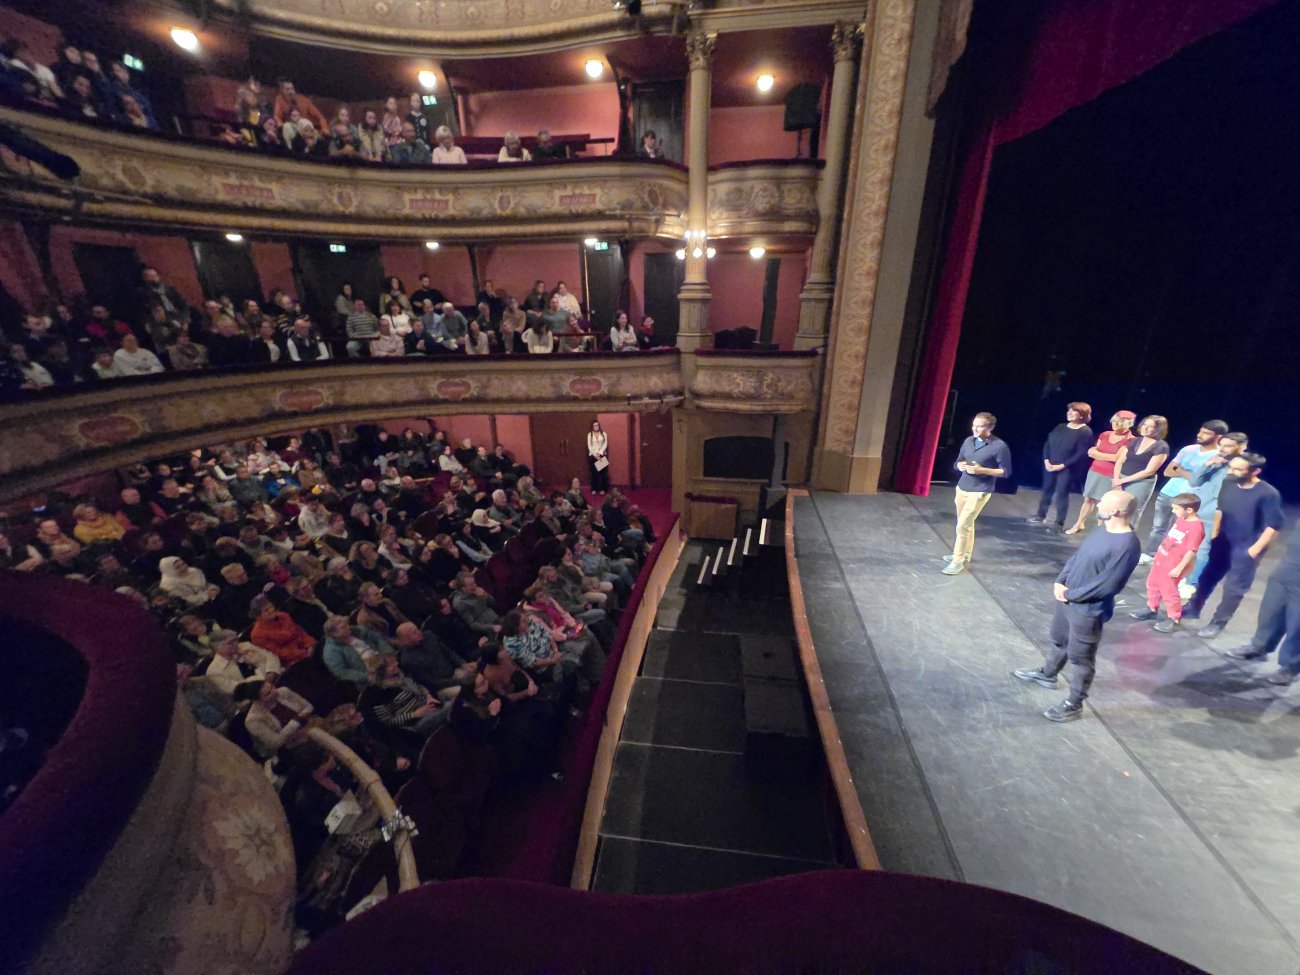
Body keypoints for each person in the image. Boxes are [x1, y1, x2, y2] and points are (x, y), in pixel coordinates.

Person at [1013, 490, 1142, 722]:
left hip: (1088, 609)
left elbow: (1108, 585)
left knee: (1081, 657)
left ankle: (1074, 703)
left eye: (1103, 502)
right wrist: (1060, 581)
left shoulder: (1127, 545)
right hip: (1068, 599)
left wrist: (1070, 594)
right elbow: (1077, 557)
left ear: (1115, 511)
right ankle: (1048, 674)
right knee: (1059, 639)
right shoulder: (1101, 529)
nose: (1098, 505)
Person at [1184, 453, 1284, 638]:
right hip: (1223, 541)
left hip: (1246, 546)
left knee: (1234, 588)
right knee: (1206, 577)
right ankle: (1193, 608)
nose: (1231, 472)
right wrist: (1215, 534)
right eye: (1231, 467)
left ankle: (1218, 622)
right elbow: (1220, 509)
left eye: (1238, 469)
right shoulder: (1228, 482)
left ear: (1255, 471)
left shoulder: (1268, 493)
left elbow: (1273, 526)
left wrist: (1254, 551)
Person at [1142, 420, 1229, 562]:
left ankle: (1167, 559)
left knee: (1178, 531)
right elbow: (1168, 472)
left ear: (1218, 437)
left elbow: (1199, 481)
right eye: (1200, 431)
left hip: (1189, 499)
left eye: (1206, 433)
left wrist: (1182, 470)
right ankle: (1150, 554)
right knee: (1158, 527)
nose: (1200, 435)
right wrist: (1192, 474)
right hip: (1168, 493)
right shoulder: (1188, 449)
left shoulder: (1217, 457)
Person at [1224, 529, 1300, 686]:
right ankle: (1259, 646)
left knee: (1297, 627)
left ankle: (1290, 667)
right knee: (1270, 612)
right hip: (1286, 571)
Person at [942, 412, 1012, 575]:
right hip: (963, 487)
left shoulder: (999, 446)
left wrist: (982, 470)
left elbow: (1005, 472)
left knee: (963, 525)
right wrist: (959, 466)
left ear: (990, 427)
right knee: (966, 523)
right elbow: (958, 461)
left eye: (980, 426)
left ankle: (957, 560)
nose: (975, 429)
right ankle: (965, 554)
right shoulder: (969, 441)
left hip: (980, 490)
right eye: (974, 425)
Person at [1129, 493, 1204, 633]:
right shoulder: (1181, 519)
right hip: (1163, 558)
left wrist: (1179, 568)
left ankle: (1174, 618)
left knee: (1169, 590)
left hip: (1174, 564)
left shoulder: (1196, 527)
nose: (1173, 511)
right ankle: (1152, 608)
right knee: (1152, 583)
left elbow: (1191, 551)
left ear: (1189, 510)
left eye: (1176, 509)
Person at [1065, 411, 1135, 535]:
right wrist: (1101, 455)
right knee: (1088, 499)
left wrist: (1098, 454)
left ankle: (1101, 531)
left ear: (1128, 424)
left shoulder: (1130, 440)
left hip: (1111, 475)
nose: (1115, 424)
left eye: (1119, 422)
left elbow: (1116, 458)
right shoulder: (1105, 434)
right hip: (1095, 471)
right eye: (1114, 421)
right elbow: (1091, 451)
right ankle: (1079, 524)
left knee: (1104, 503)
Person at [1028, 402, 1093, 530]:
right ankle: (1040, 515)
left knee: (1062, 494)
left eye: (1074, 411)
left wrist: (1063, 465)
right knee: (1046, 491)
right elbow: (1048, 444)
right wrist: (1046, 460)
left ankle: (1059, 522)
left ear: (1082, 415)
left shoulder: (1085, 431)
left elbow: (1081, 453)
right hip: (1050, 465)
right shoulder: (1060, 427)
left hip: (1067, 469)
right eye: (1069, 410)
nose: (1069, 413)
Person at [1110, 415, 1169, 513]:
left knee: (1129, 511)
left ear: (1158, 430)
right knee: (1113, 507)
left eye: (1150, 426)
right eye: (1144, 424)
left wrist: (1121, 481)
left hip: (1140, 483)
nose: (1145, 428)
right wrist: (1116, 479)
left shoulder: (1161, 447)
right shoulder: (1133, 441)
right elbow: (1120, 461)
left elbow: (1149, 471)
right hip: (1120, 478)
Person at [587, 420, 610, 494]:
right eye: (595, 425)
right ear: (592, 426)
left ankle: (602, 489)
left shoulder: (603, 434)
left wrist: (599, 453)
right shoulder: (590, 435)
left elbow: (605, 444)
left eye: (597, 425)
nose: (596, 427)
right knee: (593, 473)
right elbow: (589, 446)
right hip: (593, 456)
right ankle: (594, 489)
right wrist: (595, 454)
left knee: (603, 473)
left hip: (602, 455)